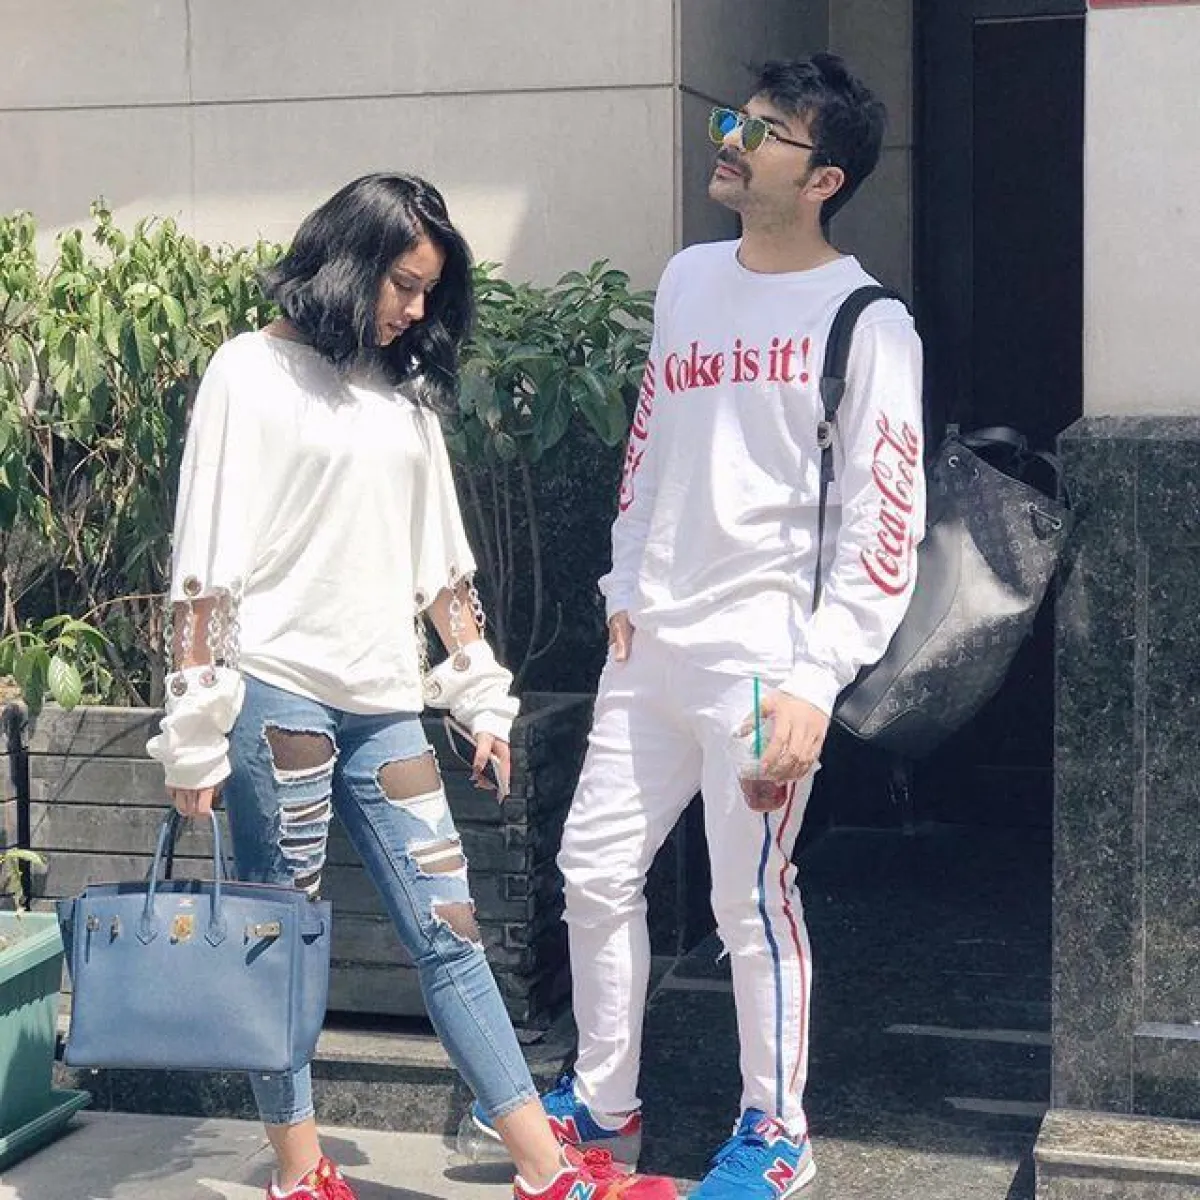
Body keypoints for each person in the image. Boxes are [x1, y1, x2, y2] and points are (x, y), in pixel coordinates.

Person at [146, 173, 678, 1200]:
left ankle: (544, 1172)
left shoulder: (403, 394)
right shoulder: (247, 371)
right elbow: (203, 561)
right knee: (282, 945)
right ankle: (301, 1174)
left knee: (452, 930)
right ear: (348, 264)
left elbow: (441, 564)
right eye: (402, 283)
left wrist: (479, 695)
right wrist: (197, 729)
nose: (416, 308)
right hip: (275, 699)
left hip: (385, 701)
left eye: (430, 290)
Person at [467, 54, 925, 1197]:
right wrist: (625, 584)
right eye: (736, 119)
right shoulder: (687, 280)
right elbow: (650, 441)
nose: (730, 139)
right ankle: (605, 1103)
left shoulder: (868, 322)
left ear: (823, 179)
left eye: (762, 132)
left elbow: (885, 519)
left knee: (748, 902)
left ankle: (778, 1132)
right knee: (591, 869)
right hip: (653, 647)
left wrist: (818, 676)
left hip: (766, 664)